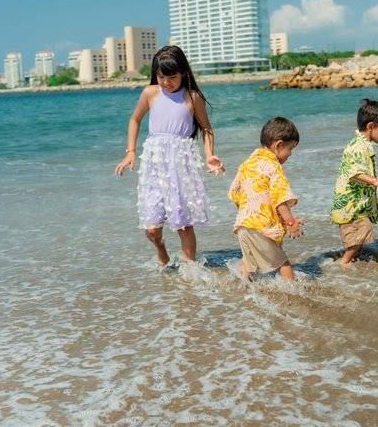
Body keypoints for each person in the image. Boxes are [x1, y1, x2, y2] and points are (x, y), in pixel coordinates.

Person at [115, 45, 224, 265]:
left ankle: (188, 273)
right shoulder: (150, 93)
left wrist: (210, 155)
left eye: (171, 77)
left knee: (183, 224)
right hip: (154, 166)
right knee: (152, 229)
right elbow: (135, 119)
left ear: (183, 72)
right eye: (161, 76)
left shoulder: (192, 97)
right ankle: (161, 248)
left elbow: (206, 129)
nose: (166, 82)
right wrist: (130, 152)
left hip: (180, 167)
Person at [228, 117, 303, 281]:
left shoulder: (247, 164)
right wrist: (290, 222)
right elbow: (280, 198)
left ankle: (240, 290)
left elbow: (235, 193)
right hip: (262, 227)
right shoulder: (273, 166)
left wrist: (247, 214)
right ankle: (296, 295)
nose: (290, 154)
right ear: (279, 145)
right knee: (283, 263)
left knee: (248, 264)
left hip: (242, 224)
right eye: (290, 149)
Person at [330, 98, 378, 266]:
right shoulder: (358, 146)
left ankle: (349, 257)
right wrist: (375, 181)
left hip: (356, 202)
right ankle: (344, 262)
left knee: (359, 233)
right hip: (350, 203)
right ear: (370, 126)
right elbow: (354, 172)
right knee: (361, 231)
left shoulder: (363, 144)